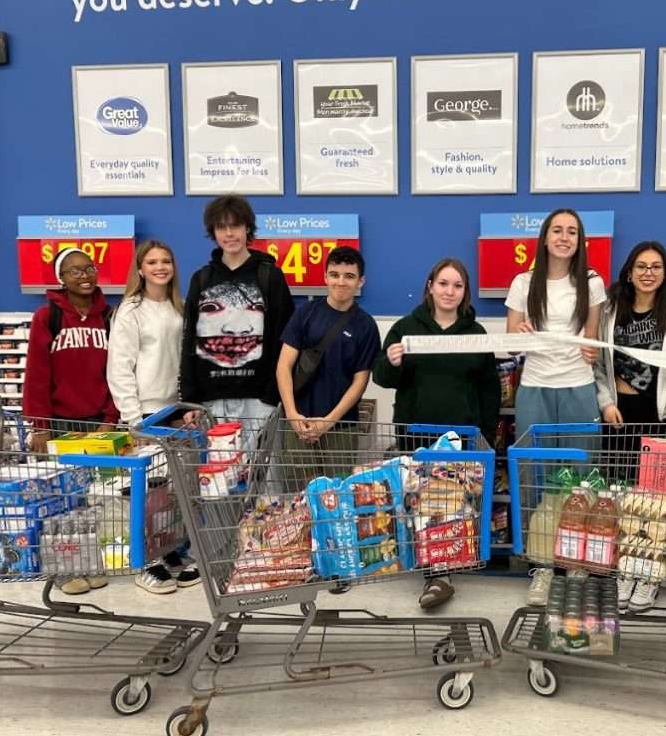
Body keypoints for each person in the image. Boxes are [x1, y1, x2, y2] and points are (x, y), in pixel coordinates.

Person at [372, 258, 500, 610]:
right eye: (443, 283)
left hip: (463, 437)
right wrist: (392, 362)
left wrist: (486, 434)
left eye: (457, 286)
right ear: (430, 285)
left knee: (453, 506)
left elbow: (490, 390)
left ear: (465, 292)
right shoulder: (404, 328)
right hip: (416, 434)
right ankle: (432, 570)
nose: (449, 291)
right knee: (420, 504)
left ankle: (442, 570)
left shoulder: (475, 334)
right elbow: (382, 378)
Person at [505, 209, 606, 607]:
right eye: (557, 230)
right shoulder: (522, 282)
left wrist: (590, 350)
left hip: (578, 388)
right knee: (537, 476)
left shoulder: (592, 283)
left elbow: (593, 343)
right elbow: (513, 343)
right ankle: (544, 566)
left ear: (580, 240)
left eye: (572, 232)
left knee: (581, 477)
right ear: (545, 237)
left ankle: (577, 560)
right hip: (535, 388)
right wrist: (522, 335)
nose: (564, 237)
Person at [593, 241, 666, 610]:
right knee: (620, 497)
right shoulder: (608, 313)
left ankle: (647, 575)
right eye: (641, 266)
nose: (648, 272)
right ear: (629, 272)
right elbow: (599, 365)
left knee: (654, 503)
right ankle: (625, 569)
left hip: (659, 417)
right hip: (618, 416)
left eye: (656, 267)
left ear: (665, 274)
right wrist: (605, 403)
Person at [107, 239, 200, 595]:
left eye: (166, 261)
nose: (160, 267)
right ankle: (146, 563)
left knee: (176, 493)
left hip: (175, 412)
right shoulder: (131, 310)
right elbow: (119, 368)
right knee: (148, 495)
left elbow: (186, 361)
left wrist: (188, 406)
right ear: (141, 269)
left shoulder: (180, 308)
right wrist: (133, 419)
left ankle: (171, 552)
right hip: (145, 414)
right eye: (152, 262)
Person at [23, 247, 118, 595]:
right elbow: (36, 373)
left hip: (98, 424)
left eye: (89, 268)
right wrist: (40, 426)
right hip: (60, 423)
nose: (84, 275)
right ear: (61, 278)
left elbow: (116, 373)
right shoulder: (47, 317)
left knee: (94, 503)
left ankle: (90, 563)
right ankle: (65, 569)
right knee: (60, 503)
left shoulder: (108, 316)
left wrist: (110, 419)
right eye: (75, 271)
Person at [179, 195, 293, 444]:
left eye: (236, 226)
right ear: (213, 232)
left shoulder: (269, 276)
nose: (229, 234)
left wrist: (272, 395)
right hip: (211, 402)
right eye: (221, 227)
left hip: (260, 400)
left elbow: (284, 339)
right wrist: (191, 399)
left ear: (248, 228)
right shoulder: (201, 279)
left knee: (263, 480)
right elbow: (189, 342)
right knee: (215, 480)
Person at [276, 246, 380, 477]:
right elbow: (283, 366)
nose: (341, 282)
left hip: (342, 427)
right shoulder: (305, 313)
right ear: (325, 277)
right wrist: (292, 414)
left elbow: (360, 382)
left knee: (338, 497)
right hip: (298, 424)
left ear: (361, 281)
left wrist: (328, 422)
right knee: (298, 499)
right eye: (334, 274)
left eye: (349, 276)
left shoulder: (366, 326)